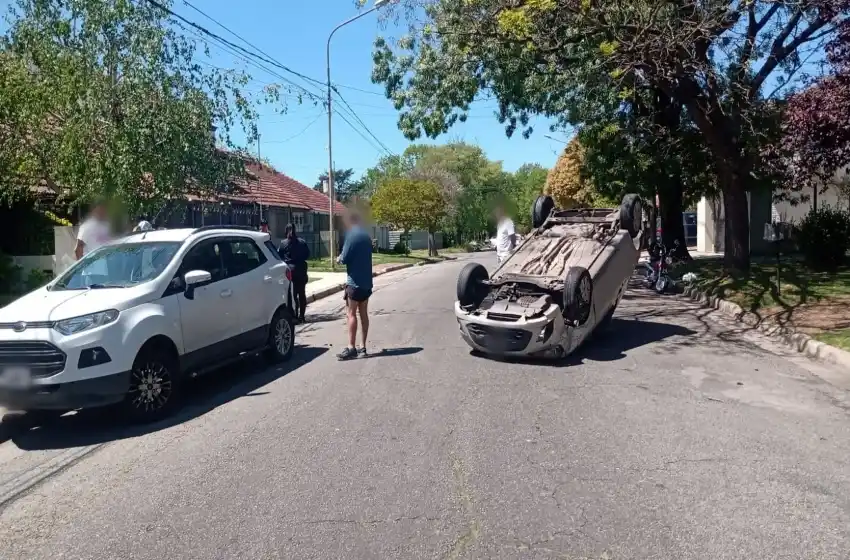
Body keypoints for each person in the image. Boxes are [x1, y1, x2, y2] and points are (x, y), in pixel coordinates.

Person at [336, 210, 372, 360]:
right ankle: (363, 347)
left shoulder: (351, 236)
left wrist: (339, 259)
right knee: (363, 313)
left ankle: (351, 347)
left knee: (351, 313)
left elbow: (344, 258)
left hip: (354, 282)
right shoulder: (366, 236)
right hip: (366, 282)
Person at [278, 224, 310, 323]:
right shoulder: (302, 242)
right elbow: (307, 254)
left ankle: (294, 315)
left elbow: (279, 256)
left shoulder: (283, 243)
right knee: (302, 294)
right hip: (301, 271)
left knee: (293, 295)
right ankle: (302, 316)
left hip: (290, 272)